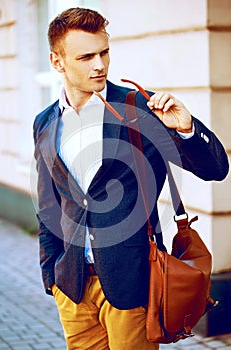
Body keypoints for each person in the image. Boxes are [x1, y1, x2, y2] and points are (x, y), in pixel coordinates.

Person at [33, 7, 229, 350]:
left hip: (132, 284)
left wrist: (186, 129)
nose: (100, 65)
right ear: (57, 61)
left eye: (104, 52)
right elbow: (49, 204)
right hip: (73, 289)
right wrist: (52, 274)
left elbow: (215, 170)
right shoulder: (45, 122)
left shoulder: (141, 109)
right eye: (86, 56)